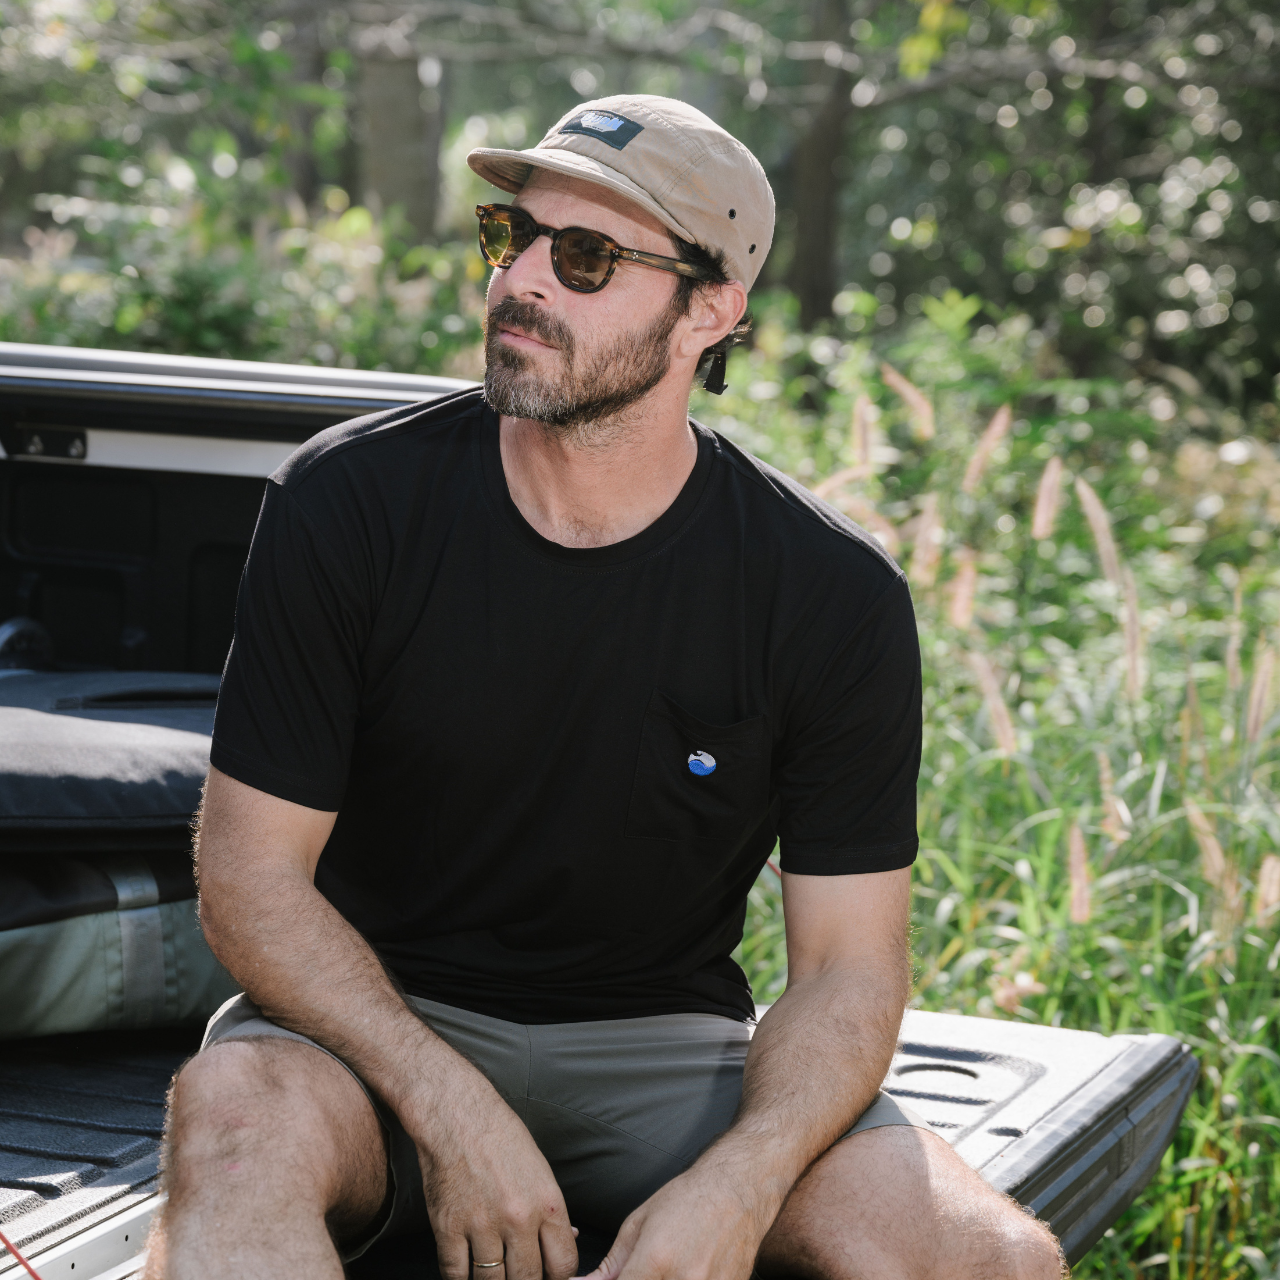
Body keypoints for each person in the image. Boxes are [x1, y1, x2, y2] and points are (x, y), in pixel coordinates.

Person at [145, 96, 1066, 1280]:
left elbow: (846, 966)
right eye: (510, 236)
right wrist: (452, 1104)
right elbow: (247, 878)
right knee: (231, 1123)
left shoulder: (827, 591)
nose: (520, 280)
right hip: (372, 1034)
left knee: (994, 1259)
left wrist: (741, 1177)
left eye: (583, 257)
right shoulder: (348, 502)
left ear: (709, 311)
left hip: (669, 1059)